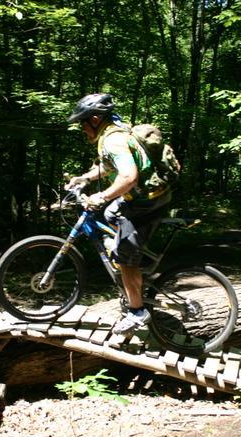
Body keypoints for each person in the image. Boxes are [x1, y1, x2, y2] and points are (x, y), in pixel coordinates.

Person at [66, 93, 172, 336]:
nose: (82, 128)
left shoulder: (113, 140)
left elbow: (128, 177)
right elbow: (110, 165)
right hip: (147, 195)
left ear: (94, 119)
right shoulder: (113, 133)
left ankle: (137, 312)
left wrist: (101, 196)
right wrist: (85, 178)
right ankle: (131, 249)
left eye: (82, 122)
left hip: (147, 201)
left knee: (124, 256)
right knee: (112, 212)